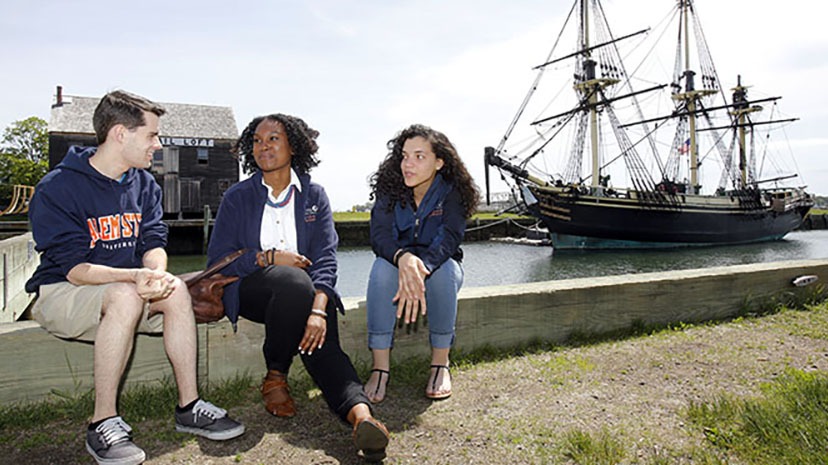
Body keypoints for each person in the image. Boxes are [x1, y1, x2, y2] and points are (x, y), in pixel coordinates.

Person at [25, 90, 245, 465]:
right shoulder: (59, 187)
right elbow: (75, 269)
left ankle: (188, 406)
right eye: (152, 136)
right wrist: (134, 277)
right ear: (119, 135)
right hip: (62, 290)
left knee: (174, 288)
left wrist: (155, 274)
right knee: (125, 296)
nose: (158, 146)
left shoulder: (143, 184)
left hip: (122, 287)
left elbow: (154, 241)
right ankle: (102, 422)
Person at [206, 113, 389, 462]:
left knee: (324, 341)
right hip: (251, 291)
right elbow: (219, 260)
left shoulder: (314, 195)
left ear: (294, 145)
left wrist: (319, 310)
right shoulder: (237, 196)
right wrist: (268, 258)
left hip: (305, 296)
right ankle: (276, 373)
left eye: (273, 138)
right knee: (292, 280)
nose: (264, 146)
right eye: (257, 141)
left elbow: (326, 259)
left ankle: (361, 418)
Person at [363, 124, 480, 403]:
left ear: (439, 162)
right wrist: (403, 258)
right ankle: (380, 367)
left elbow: (449, 239)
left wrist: (421, 266)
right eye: (404, 156)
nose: (408, 164)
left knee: (445, 273)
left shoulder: (452, 192)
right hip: (396, 263)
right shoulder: (389, 189)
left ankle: (440, 363)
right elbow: (379, 236)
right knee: (381, 270)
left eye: (419, 156)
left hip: (438, 264)